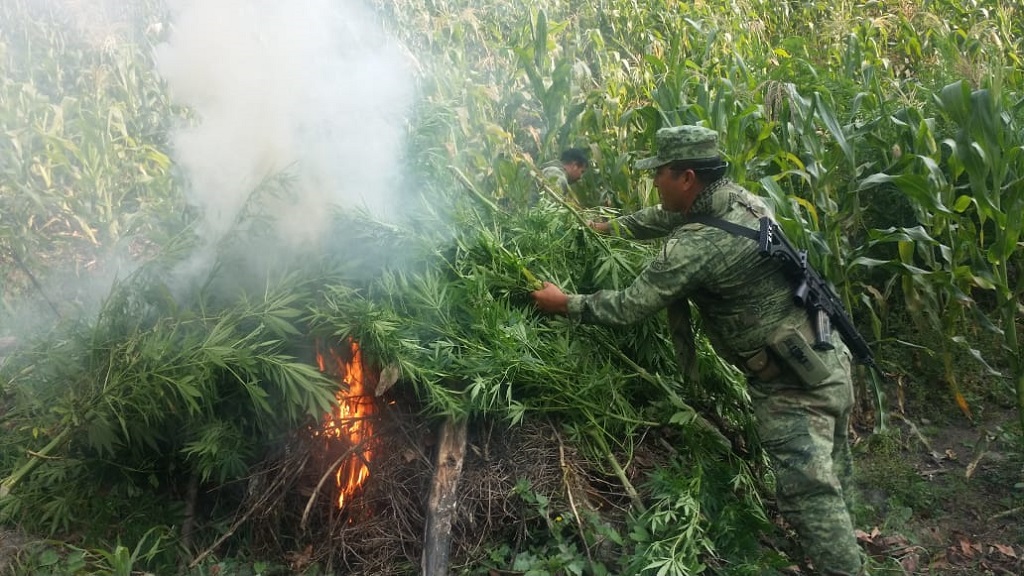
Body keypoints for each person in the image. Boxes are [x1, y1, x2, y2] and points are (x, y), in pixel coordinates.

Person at [531, 125, 864, 575]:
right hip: (828, 356)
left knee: (809, 498)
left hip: (792, 385)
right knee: (834, 476)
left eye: (660, 173)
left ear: (686, 177)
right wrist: (608, 227)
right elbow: (665, 217)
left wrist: (565, 303)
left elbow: (632, 305)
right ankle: (851, 549)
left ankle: (843, 567)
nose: (653, 181)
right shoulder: (737, 201)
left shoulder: (697, 246)